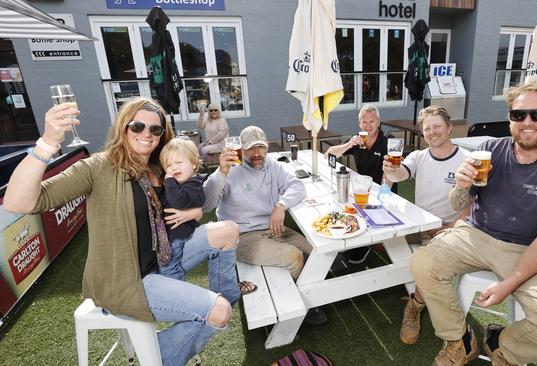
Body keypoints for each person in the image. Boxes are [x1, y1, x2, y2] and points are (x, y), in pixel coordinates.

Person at [3, 97, 240, 366]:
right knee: (218, 312)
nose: (146, 134)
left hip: (164, 257)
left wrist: (196, 208)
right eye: (137, 126)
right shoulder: (99, 167)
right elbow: (18, 202)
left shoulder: (158, 167)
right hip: (128, 281)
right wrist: (47, 142)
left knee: (228, 230)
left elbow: (203, 202)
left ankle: (226, 299)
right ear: (122, 128)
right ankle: (159, 356)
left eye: (155, 129)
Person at [410, 80, 537, 366]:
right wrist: (460, 187)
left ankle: (502, 344)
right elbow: (461, 205)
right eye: (519, 115)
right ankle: (459, 339)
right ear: (510, 119)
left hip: (526, 248)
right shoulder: (489, 149)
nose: (528, 122)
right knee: (422, 263)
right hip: (475, 233)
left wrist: (510, 283)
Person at [203, 125, 327, 325]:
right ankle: (301, 306)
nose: (257, 153)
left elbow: (297, 186)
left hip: (273, 229)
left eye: (260, 147)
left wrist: (281, 205)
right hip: (242, 236)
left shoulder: (271, 165)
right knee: (293, 257)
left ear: (267, 146)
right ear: (241, 149)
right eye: (251, 149)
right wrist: (220, 172)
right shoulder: (230, 170)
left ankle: (308, 294)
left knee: (314, 250)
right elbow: (206, 203)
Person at [382, 105, 470, 345]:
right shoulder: (419, 156)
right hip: (418, 224)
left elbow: (474, 203)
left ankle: (415, 305)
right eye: (427, 128)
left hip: (448, 229)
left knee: (427, 263)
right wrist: (392, 170)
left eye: (437, 126)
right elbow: (402, 174)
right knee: (380, 241)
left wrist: (451, 226)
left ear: (450, 128)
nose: (431, 132)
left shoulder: (466, 161)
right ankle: (411, 282)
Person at [159, 138, 250, 302]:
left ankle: (176, 292)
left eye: (178, 162)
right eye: (169, 165)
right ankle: (177, 290)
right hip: (171, 237)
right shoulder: (180, 183)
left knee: (171, 267)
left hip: (179, 238)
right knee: (170, 264)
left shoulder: (193, 184)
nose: (173, 168)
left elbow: (178, 200)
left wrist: (169, 181)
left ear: (194, 164)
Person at [325, 103, 395, 264]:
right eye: (364, 122)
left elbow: (390, 171)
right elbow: (330, 154)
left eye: (372, 121)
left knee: (370, 219)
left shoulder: (387, 140)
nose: (368, 125)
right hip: (362, 190)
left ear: (378, 122)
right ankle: (358, 242)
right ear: (359, 124)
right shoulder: (358, 139)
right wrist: (349, 144)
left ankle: (367, 244)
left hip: (383, 190)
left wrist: (382, 193)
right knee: (345, 207)